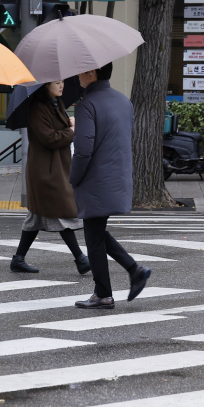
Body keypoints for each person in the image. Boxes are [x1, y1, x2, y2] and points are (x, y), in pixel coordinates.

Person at [70, 63, 150, 310]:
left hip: (95, 180)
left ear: (92, 73)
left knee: (93, 237)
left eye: (81, 70)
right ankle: (133, 269)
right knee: (96, 232)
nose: (78, 75)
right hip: (119, 176)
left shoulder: (86, 105)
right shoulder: (123, 101)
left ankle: (104, 293)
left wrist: (73, 178)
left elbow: (83, 151)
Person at [12, 81, 89, 275]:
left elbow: (59, 130)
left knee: (36, 217)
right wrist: (71, 131)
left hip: (57, 166)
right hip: (45, 171)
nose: (62, 85)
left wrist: (69, 123)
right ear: (45, 86)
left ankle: (18, 259)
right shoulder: (38, 108)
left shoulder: (57, 104)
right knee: (59, 211)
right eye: (57, 82)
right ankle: (80, 258)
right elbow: (50, 138)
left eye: (63, 81)